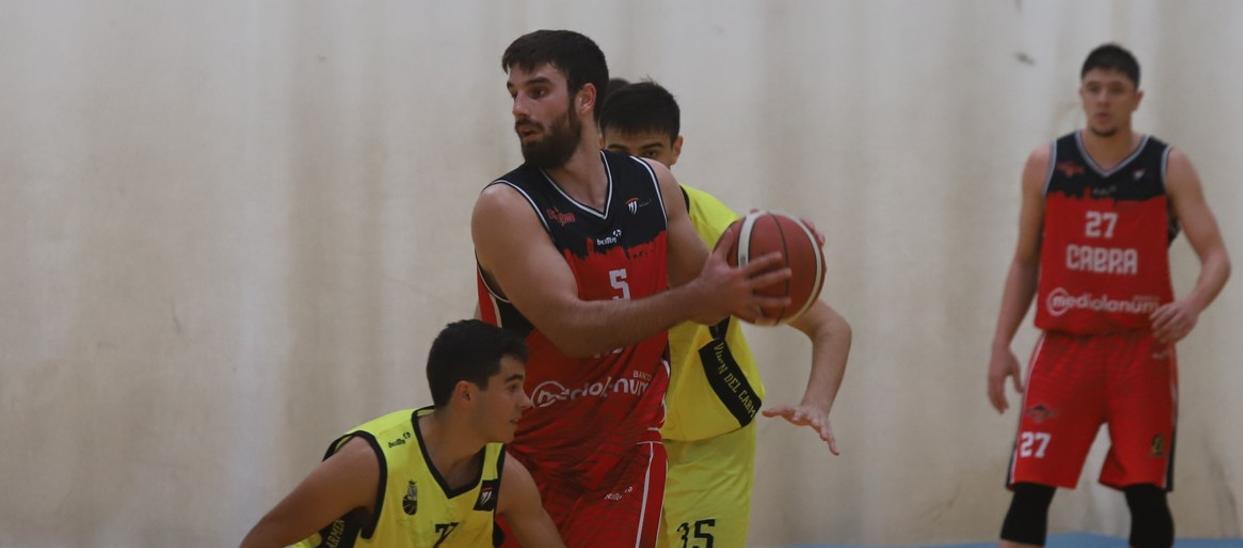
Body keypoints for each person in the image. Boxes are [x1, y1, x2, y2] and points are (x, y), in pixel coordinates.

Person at [471, 30, 791, 547]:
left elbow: (705, 283)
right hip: (529, 459)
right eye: (513, 93)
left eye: (537, 91)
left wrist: (761, 258)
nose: (519, 109)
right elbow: (572, 330)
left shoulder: (653, 184)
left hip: (627, 457)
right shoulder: (507, 206)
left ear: (585, 97)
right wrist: (700, 297)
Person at [986, 43, 1230, 548]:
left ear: (1136, 98)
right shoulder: (1047, 163)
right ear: (1081, 93)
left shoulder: (1168, 166)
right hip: (1064, 349)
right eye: (1094, 89)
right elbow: (1026, 259)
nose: (1103, 100)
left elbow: (1217, 256)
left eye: (1116, 90)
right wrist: (1000, 344)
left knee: (1146, 494)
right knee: (1030, 489)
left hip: (1140, 354)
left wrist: (1192, 304)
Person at [598, 79, 852, 548]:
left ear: (677, 150)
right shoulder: (573, 226)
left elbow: (830, 326)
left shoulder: (723, 234)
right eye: (618, 152)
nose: (636, 168)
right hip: (620, 445)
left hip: (710, 439)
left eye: (650, 151)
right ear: (597, 147)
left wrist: (816, 403)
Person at [240, 320, 564, 547]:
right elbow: (261, 539)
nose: (527, 400)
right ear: (465, 394)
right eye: (513, 387)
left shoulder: (507, 479)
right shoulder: (369, 463)